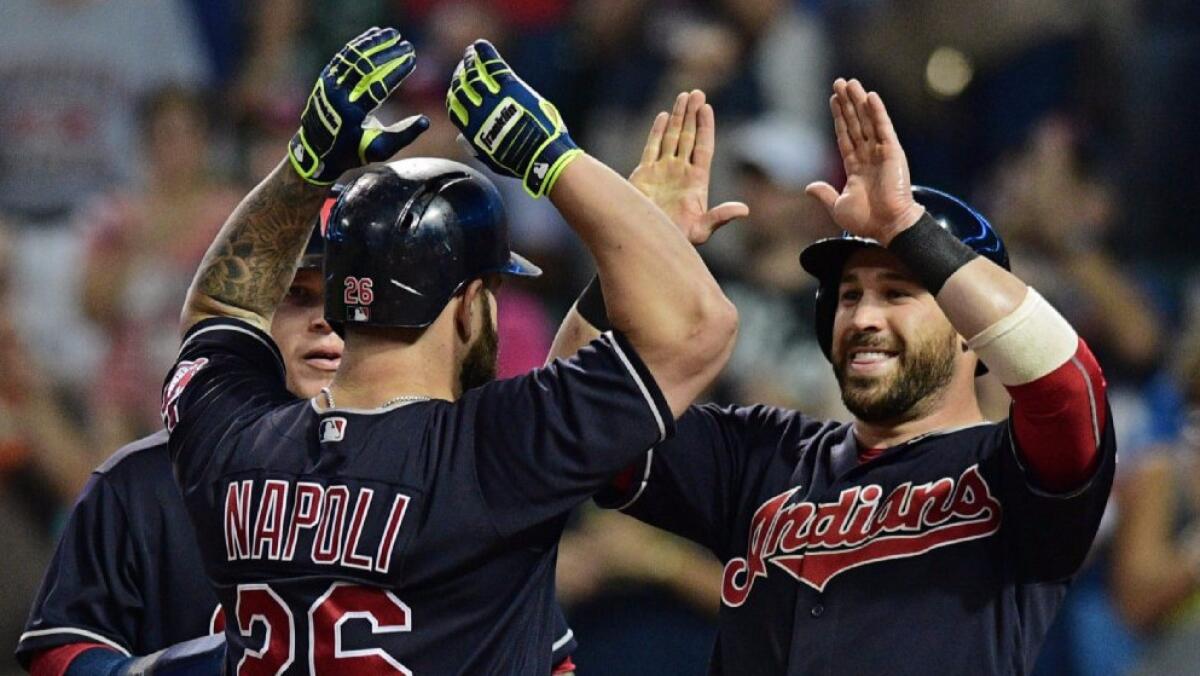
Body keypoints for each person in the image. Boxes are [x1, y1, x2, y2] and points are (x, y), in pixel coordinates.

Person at [163, 27, 735, 674]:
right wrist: (554, 161)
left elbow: (221, 308)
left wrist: (305, 166)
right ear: (472, 303)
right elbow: (696, 325)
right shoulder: (495, 453)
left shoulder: (238, 442)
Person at [552, 78, 1116, 674]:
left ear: (967, 328)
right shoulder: (762, 455)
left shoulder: (1016, 474)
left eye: (897, 293)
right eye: (849, 295)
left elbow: (1067, 384)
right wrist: (633, 249)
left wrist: (906, 225)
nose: (863, 317)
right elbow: (568, 410)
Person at [17, 218, 578, 675]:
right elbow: (60, 650)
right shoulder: (142, 482)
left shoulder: (451, 472)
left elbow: (547, 661)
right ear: (252, 319)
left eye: (350, 297)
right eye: (299, 296)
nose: (326, 322)